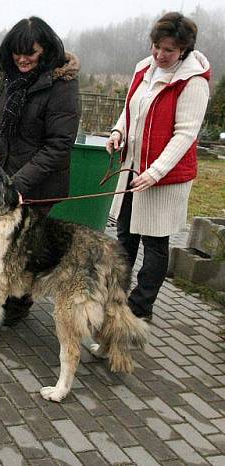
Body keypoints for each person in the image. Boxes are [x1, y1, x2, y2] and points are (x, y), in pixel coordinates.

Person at [0, 16, 81, 326]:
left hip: (40, 184)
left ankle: (16, 307)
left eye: (30, 53)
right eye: (16, 53)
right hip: (8, 176)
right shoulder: (10, 78)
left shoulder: (62, 85)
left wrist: (18, 184)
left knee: (24, 250)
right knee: (3, 245)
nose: (22, 59)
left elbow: (59, 144)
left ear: (45, 50)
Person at [107, 12, 211, 321]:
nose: (160, 55)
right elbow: (130, 111)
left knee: (154, 242)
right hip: (133, 168)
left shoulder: (193, 82)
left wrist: (154, 173)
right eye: (157, 46)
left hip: (165, 177)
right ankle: (116, 297)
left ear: (184, 50)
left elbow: (185, 135)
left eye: (169, 50)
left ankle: (141, 306)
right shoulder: (143, 68)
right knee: (125, 236)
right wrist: (117, 132)